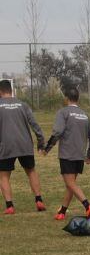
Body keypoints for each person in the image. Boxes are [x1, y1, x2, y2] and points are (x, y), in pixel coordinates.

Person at [43, 86, 90, 219]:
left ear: (66, 98)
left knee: (70, 183)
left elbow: (57, 132)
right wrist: (89, 155)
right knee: (71, 185)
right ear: (77, 99)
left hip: (67, 154)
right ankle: (62, 212)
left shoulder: (63, 112)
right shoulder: (85, 115)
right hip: (79, 155)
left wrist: (47, 148)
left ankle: (87, 205)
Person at [0, 79, 46, 215]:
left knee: (3, 176)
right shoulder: (23, 105)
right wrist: (40, 141)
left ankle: (9, 206)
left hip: (6, 145)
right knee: (31, 171)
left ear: (0, 92)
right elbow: (34, 124)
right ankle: (39, 200)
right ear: (11, 90)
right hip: (24, 144)